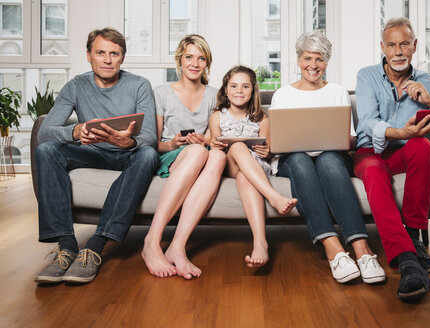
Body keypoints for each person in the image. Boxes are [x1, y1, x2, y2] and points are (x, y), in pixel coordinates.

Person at [354, 17, 430, 300]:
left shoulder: (426, 81)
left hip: (404, 153)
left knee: (422, 145)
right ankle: (407, 259)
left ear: (415, 46)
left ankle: (413, 234)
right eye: (392, 45)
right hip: (370, 153)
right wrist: (399, 131)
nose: (398, 52)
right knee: (373, 170)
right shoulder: (367, 76)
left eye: (405, 44)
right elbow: (368, 123)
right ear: (383, 47)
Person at [34, 28, 159, 284]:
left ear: (122, 58)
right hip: (93, 153)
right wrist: (77, 131)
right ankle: (66, 246)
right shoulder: (76, 86)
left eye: (114, 53)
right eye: (100, 52)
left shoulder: (139, 85)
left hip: (129, 155)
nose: (107, 59)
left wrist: (129, 141)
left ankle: (95, 245)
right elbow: (45, 133)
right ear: (89, 55)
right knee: (46, 150)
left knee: (147, 154)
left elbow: (150, 139)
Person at [271, 30, 386, 284]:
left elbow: (351, 138)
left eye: (320, 59)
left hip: (331, 155)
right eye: (307, 58)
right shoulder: (282, 95)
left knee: (328, 160)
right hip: (293, 159)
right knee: (301, 159)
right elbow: (277, 143)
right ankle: (333, 247)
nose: (313, 65)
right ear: (299, 60)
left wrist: (339, 139)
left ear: (327, 62)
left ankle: (362, 249)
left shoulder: (337, 91)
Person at [141, 34, 226, 279]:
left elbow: (213, 137)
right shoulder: (161, 93)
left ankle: (177, 246)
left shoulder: (214, 95)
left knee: (218, 157)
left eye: (201, 58)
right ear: (179, 60)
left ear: (207, 63)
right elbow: (152, 143)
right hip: (171, 155)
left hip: (200, 154)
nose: (194, 63)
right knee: (199, 152)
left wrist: (205, 140)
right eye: (189, 57)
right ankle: (151, 242)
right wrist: (173, 143)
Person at [209, 65, 297, 268]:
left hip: (255, 167)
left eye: (245, 86)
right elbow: (214, 145)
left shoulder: (262, 118)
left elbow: (270, 148)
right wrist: (214, 143)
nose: (239, 90)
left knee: (244, 177)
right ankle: (273, 196)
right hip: (229, 163)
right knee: (239, 146)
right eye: (234, 85)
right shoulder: (217, 116)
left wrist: (268, 151)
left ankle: (260, 243)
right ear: (225, 90)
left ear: (253, 90)